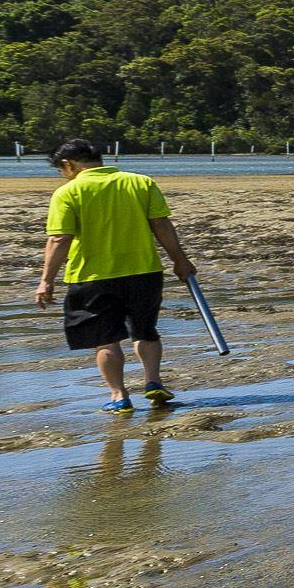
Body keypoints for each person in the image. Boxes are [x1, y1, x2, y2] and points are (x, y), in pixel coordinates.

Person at [33, 142, 198, 413]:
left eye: (61, 170)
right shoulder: (140, 182)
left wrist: (46, 280)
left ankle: (119, 395)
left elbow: (59, 238)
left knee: (105, 339)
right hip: (144, 271)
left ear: (68, 165)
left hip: (92, 276)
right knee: (145, 330)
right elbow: (161, 224)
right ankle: (153, 382)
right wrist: (179, 259)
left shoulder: (68, 192)